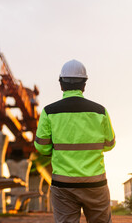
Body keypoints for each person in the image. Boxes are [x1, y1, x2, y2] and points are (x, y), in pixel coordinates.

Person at [34, 59, 115, 223]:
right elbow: (110, 144)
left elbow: (41, 148)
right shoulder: (100, 112)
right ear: (84, 84)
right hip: (96, 183)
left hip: (63, 185)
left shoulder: (48, 112)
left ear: (61, 84)